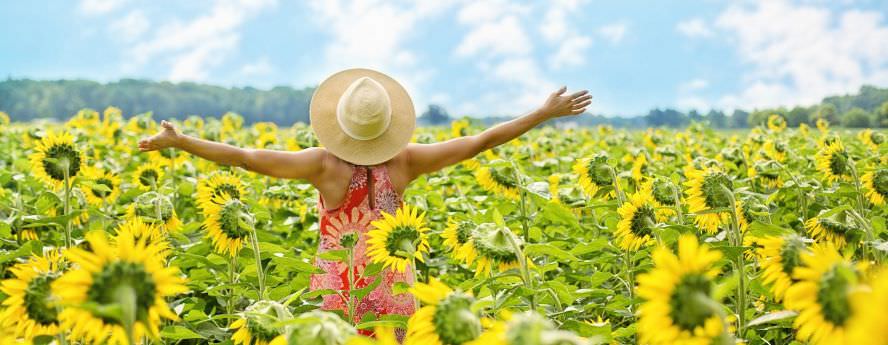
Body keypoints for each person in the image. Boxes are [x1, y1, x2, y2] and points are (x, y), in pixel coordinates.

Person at [138, 68, 591, 327]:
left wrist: (184, 142)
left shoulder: (323, 165)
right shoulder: (407, 161)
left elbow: (245, 156)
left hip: (342, 294)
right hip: (395, 291)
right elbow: (480, 141)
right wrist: (542, 113)